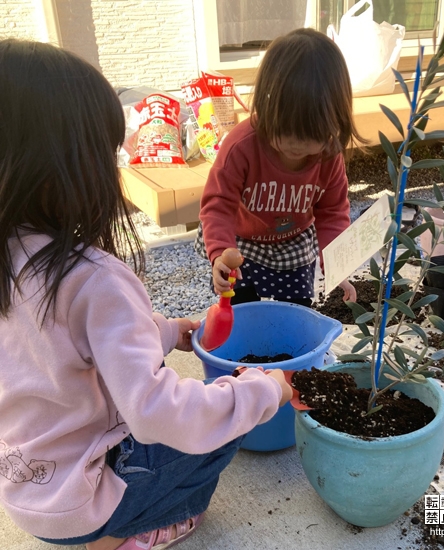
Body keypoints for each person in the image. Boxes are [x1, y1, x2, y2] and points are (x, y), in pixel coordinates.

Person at [0, 39, 292, 550]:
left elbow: (60, 352)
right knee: (221, 425)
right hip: (88, 502)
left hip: (26, 494)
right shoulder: (92, 277)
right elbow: (157, 412)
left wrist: (161, 331)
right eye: (105, 153)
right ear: (64, 169)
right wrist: (264, 390)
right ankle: (135, 532)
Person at [195, 28, 369, 307]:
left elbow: (333, 212)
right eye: (286, 131)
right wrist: (219, 254)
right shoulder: (242, 146)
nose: (297, 146)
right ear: (267, 108)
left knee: (296, 308)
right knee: (239, 307)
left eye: (312, 135)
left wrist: (337, 267)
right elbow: (218, 205)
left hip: (294, 242)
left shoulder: (328, 154)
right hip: (242, 242)